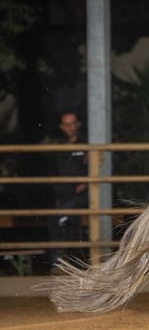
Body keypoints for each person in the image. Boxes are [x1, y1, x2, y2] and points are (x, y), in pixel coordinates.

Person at [46, 110, 88, 269]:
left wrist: (84, 184)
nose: (69, 127)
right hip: (65, 195)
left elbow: (92, 171)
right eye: (66, 124)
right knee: (60, 218)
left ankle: (60, 262)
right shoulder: (60, 147)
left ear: (78, 124)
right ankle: (64, 263)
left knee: (58, 219)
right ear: (62, 127)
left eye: (72, 123)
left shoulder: (85, 144)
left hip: (81, 195)